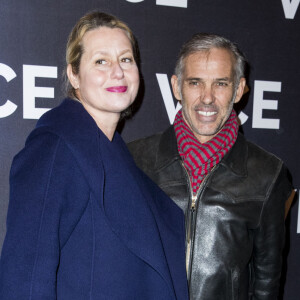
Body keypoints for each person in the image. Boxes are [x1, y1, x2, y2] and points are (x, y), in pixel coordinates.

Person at [0, 11, 188, 300]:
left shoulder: (117, 154)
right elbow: (25, 273)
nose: (118, 72)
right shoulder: (54, 147)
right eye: (101, 61)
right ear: (74, 74)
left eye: (126, 59)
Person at [128, 33, 293, 299]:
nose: (207, 98)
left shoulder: (268, 174)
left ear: (238, 89)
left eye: (220, 84)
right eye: (195, 83)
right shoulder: (136, 160)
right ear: (176, 86)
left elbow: (266, 283)